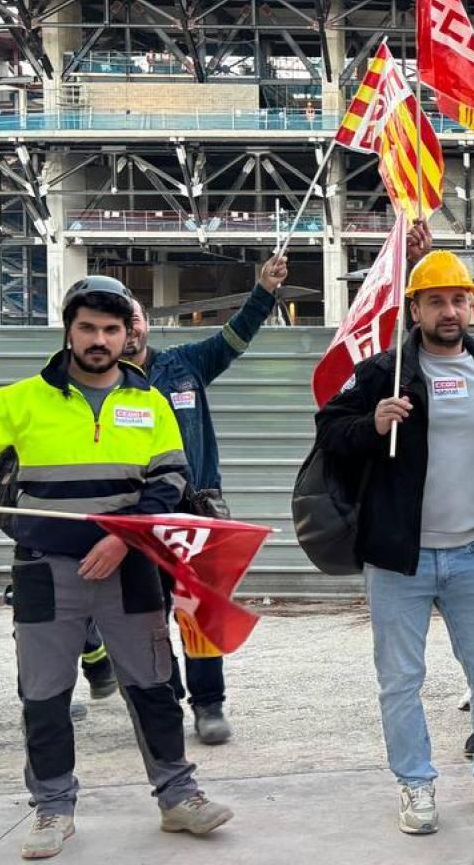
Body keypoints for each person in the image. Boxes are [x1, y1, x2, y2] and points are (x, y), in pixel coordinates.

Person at [0, 276, 232, 859]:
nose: (100, 339)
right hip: (44, 571)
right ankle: (53, 809)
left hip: (128, 569)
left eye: (111, 329)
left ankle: (178, 798)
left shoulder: (148, 401)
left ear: (128, 333)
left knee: (153, 686)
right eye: (88, 328)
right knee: (44, 694)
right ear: (69, 330)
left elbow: (169, 482)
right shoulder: (23, 400)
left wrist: (122, 539)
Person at [314, 251, 474, 832]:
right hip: (398, 559)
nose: (449, 310)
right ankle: (415, 785)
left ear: (473, 307)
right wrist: (374, 424)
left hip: (473, 554)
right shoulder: (383, 371)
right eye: (436, 300)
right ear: (414, 308)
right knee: (401, 680)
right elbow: (330, 432)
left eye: (458, 299)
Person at [102, 252, 288, 746]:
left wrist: (264, 290)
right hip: (133, 523)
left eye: (134, 318)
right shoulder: (95, 389)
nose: (130, 329)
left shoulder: (184, 365)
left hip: (195, 514)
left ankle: (209, 705)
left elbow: (235, 338)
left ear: (142, 325)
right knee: (145, 620)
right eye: (119, 322)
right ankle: (162, 702)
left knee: (198, 611)